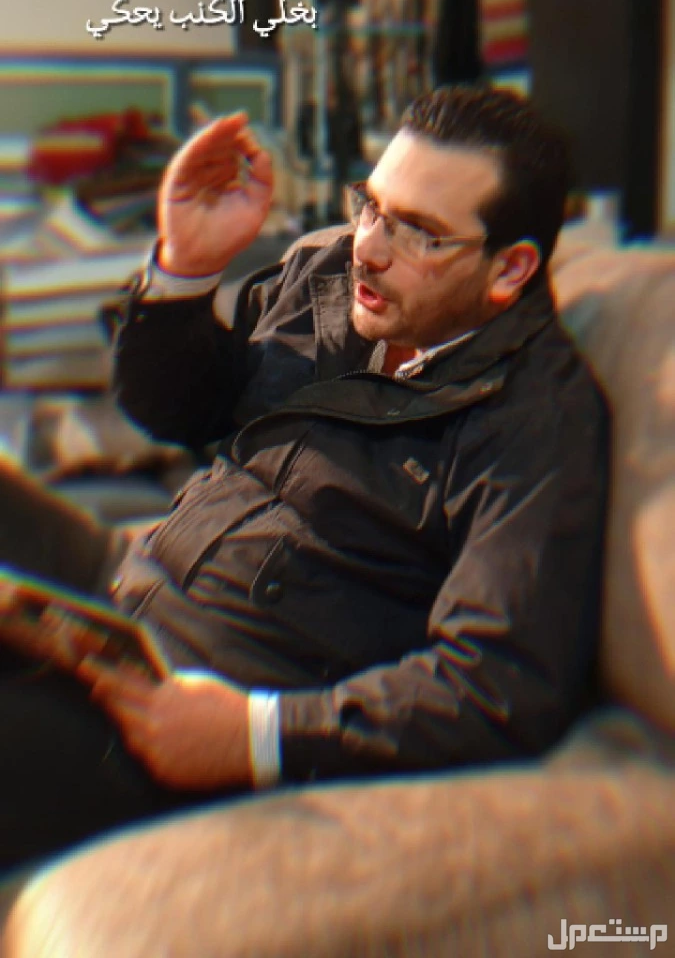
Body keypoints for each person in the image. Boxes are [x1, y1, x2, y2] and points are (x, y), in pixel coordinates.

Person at [0, 85, 609, 873]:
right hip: (118, 586)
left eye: (418, 233)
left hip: (192, 697)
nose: (370, 249)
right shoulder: (330, 271)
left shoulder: (535, 421)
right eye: (372, 207)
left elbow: (497, 685)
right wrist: (186, 267)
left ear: (510, 269)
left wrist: (256, 736)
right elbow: (181, 408)